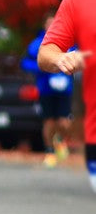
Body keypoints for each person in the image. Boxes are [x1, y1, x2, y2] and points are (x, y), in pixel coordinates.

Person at [38, 0, 96, 191]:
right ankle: (51, 149)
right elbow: (45, 53)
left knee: (61, 121)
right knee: (52, 121)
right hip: (50, 90)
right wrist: (60, 58)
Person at [22, 11, 73, 166]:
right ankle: (49, 151)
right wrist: (43, 67)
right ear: (45, 25)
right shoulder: (37, 44)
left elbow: (78, 59)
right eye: (48, 23)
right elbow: (25, 63)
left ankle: (60, 140)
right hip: (46, 89)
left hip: (64, 90)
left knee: (64, 122)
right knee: (49, 121)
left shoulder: (69, 42)